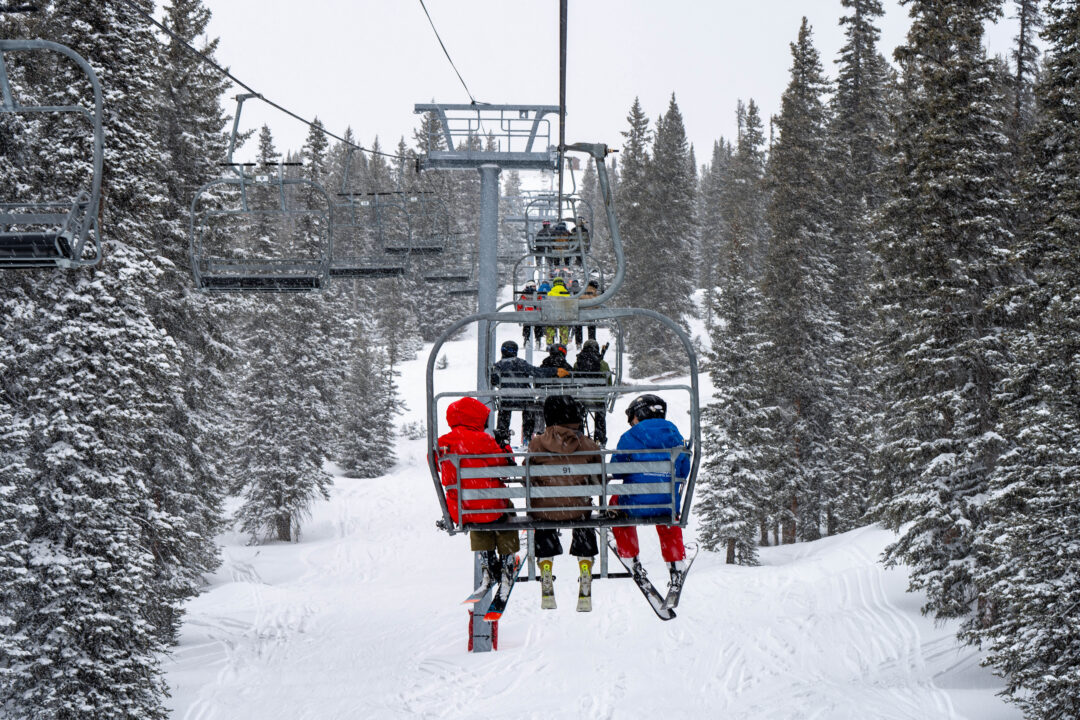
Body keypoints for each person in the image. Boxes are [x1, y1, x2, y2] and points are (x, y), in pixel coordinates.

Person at [527, 395, 602, 610]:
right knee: (583, 519)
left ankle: (546, 567)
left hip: (545, 511)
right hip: (577, 509)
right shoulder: (588, 444)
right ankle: (585, 565)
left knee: (543, 521)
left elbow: (526, 477)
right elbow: (600, 480)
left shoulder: (537, 444)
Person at [609, 394, 690, 592]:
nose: (632, 425)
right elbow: (683, 470)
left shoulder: (629, 438)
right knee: (668, 512)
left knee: (615, 503)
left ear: (639, 414)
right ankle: (675, 564)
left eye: (633, 419)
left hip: (635, 504)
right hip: (665, 503)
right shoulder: (676, 436)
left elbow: (616, 470)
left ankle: (630, 557)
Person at [436, 397, 519, 588]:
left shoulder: (442, 443)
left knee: (475, 515)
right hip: (492, 508)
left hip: (462, 510)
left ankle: (487, 563)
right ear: (476, 418)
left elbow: (435, 463)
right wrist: (504, 447)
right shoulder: (483, 440)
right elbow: (504, 468)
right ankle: (506, 560)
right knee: (505, 512)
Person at [490, 340, 567, 447]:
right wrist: (555, 371)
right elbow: (537, 372)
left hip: (507, 399)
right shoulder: (520, 363)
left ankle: (502, 435)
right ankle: (527, 437)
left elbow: (494, 381)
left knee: (504, 410)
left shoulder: (498, 366)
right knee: (529, 409)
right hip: (524, 399)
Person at [572, 339, 611, 446]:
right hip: (599, 398)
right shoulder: (603, 364)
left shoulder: (578, 363)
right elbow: (609, 383)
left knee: (579, 413)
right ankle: (600, 438)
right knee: (600, 414)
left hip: (582, 398)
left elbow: (573, 381)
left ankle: (579, 437)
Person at [544, 278, 571, 347]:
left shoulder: (550, 293)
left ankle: (549, 343)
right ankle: (563, 343)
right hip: (563, 316)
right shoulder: (567, 294)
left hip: (552, 316)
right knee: (564, 327)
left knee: (550, 326)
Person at [516, 281, 543, 347]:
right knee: (538, 326)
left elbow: (519, 305)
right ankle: (537, 340)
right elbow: (541, 305)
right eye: (533, 287)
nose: (534, 288)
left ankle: (526, 339)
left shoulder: (523, 295)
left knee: (526, 326)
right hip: (536, 314)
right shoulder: (537, 295)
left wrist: (519, 313)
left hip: (526, 315)